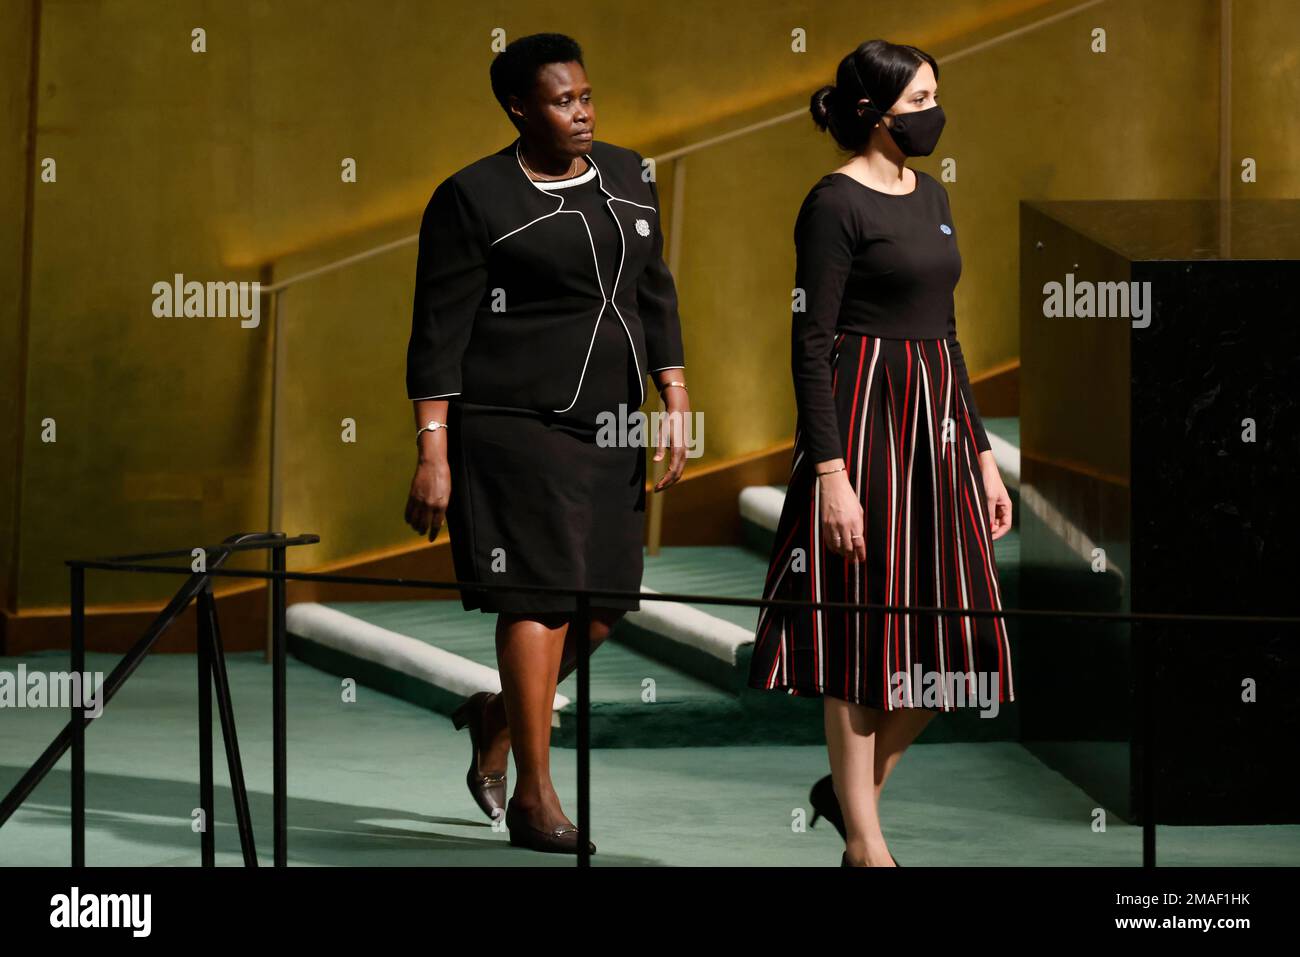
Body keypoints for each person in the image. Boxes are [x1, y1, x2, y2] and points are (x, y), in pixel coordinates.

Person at [403, 33, 690, 855]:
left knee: (600, 609)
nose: (583, 113)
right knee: (536, 596)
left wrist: (673, 388)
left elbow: (654, 286)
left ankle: (497, 715)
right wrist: (434, 448)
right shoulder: (473, 197)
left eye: (588, 97)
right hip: (510, 425)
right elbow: (437, 332)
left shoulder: (633, 174)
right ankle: (534, 796)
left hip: (610, 425)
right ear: (519, 108)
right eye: (564, 101)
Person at [748, 39, 1016, 867]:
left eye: (936, 94)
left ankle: (844, 794)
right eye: (919, 99)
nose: (934, 112)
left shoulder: (931, 192)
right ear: (873, 112)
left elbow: (948, 332)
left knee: (965, 650)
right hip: (864, 422)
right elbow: (810, 342)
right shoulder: (832, 204)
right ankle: (866, 844)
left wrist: (979, 455)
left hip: (936, 424)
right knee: (861, 640)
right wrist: (832, 475)